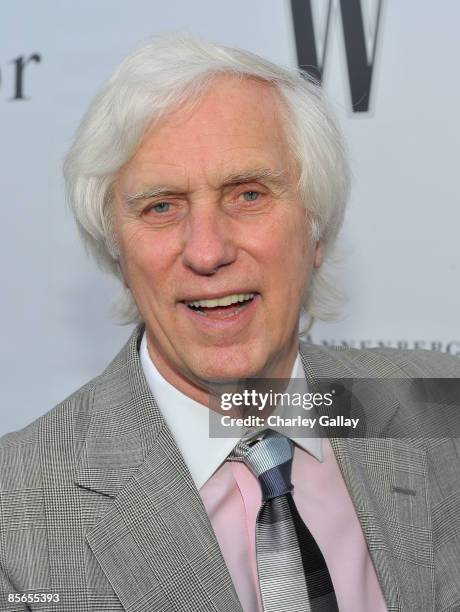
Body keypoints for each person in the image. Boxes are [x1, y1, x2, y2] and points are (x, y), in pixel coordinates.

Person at [1, 36, 459, 612]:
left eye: (247, 194)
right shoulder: (16, 514)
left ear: (316, 230)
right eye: (161, 206)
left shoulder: (440, 410)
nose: (208, 251)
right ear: (118, 252)